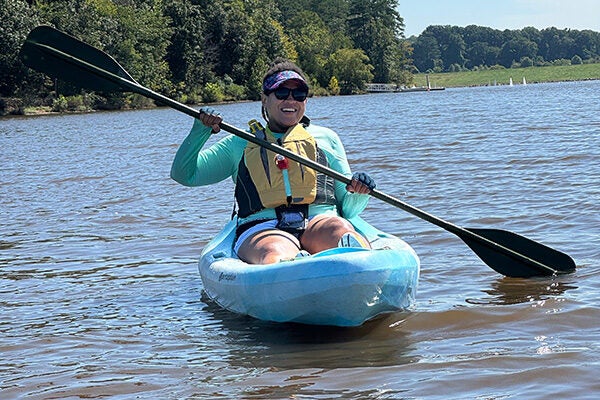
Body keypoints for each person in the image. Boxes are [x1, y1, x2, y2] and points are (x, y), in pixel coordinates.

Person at [171, 58, 376, 264]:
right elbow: (185, 175)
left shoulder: (326, 139)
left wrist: (358, 192)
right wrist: (200, 131)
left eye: (298, 94)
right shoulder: (239, 142)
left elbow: (349, 209)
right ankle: (291, 266)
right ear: (264, 99)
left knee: (340, 231)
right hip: (263, 226)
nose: (290, 100)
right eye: (281, 93)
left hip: (319, 221)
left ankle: (351, 264)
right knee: (273, 252)